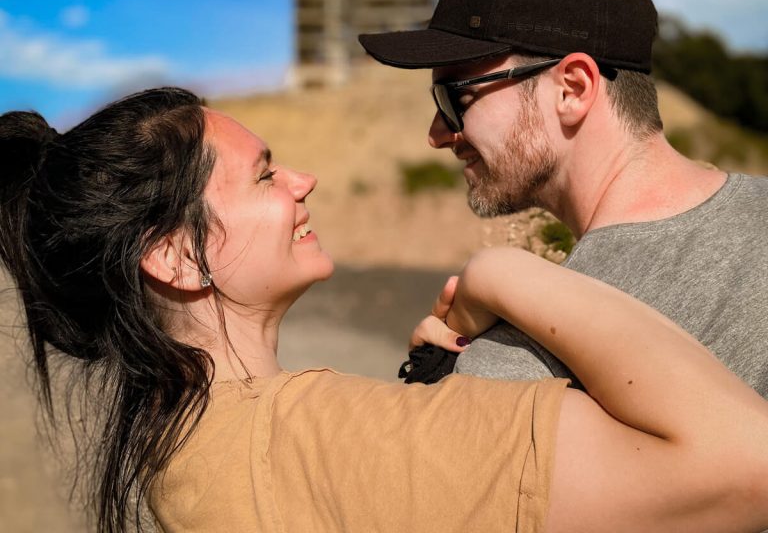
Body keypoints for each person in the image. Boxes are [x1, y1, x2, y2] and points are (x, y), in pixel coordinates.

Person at [0, 88, 767, 533]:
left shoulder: (182, 452)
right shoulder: (311, 437)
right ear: (174, 257)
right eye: (265, 176)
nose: (304, 180)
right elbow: (744, 467)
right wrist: (502, 276)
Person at [359, 0, 768, 391]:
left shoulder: (523, 367)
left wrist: (436, 373)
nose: (437, 135)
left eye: (456, 97)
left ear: (572, 89)